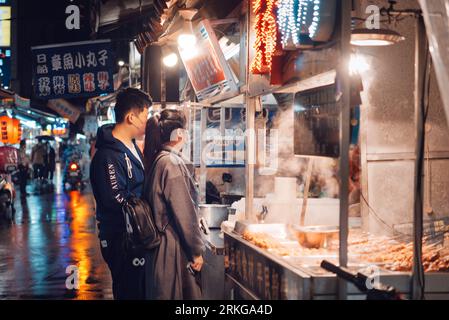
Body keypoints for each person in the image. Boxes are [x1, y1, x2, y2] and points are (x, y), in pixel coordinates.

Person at [90, 88, 152, 300]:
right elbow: (114, 197)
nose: (147, 122)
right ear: (131, 117)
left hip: (136, 234)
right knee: (129, 291)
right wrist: (148, 210)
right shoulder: (108, 154)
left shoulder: (131, 145)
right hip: (122, 237)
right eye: (145, 116)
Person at [143, 109, 205, 300]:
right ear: (179, 134)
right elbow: (184, 213)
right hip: (172, 251)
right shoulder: (171, 163)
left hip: (160, 250)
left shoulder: (158, 160)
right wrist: (196, 251)